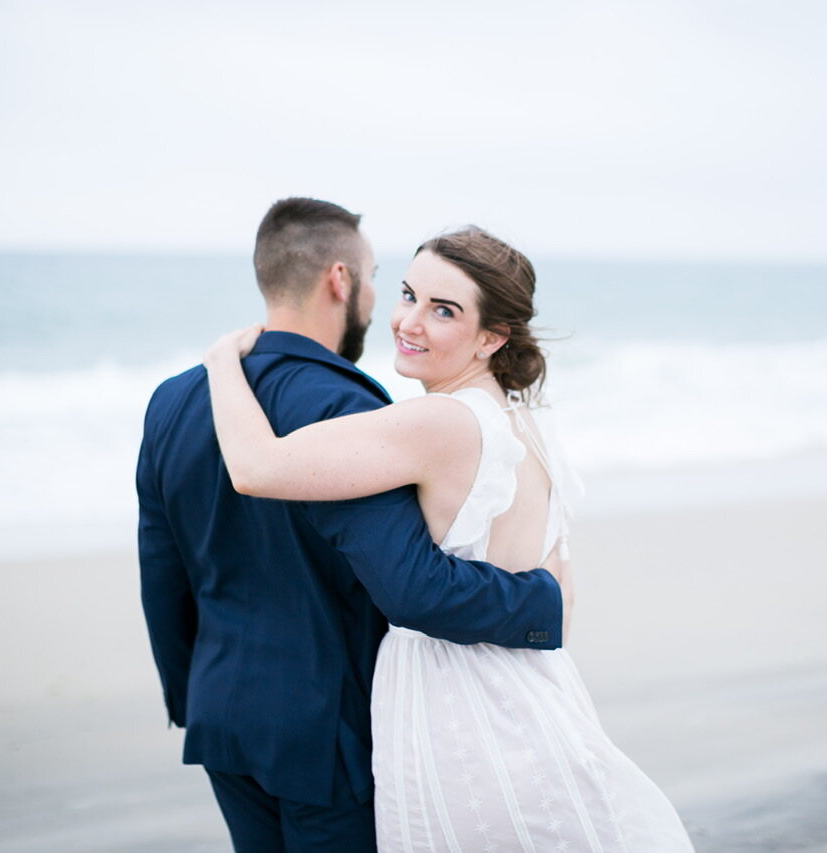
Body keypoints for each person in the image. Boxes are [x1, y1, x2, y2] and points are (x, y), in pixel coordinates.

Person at [204, 226, 696, 851]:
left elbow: (256, 468)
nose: (408, 321)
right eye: (407, 294)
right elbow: (559, 591)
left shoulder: (440, 421)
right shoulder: (530, 422)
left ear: (493, 337)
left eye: (444, 311)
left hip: (457, 709)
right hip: (536, 694)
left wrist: (222, 362)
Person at [137, 198, 564, 852]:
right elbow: (408, 583)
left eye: (440, 307)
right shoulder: (347, 404)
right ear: (341, 281)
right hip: (327, 730)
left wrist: (193, 693)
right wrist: (541, 598)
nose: (395, 312)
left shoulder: (174, 399)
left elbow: (161, 570)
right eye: (384, 285)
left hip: (223, 713)